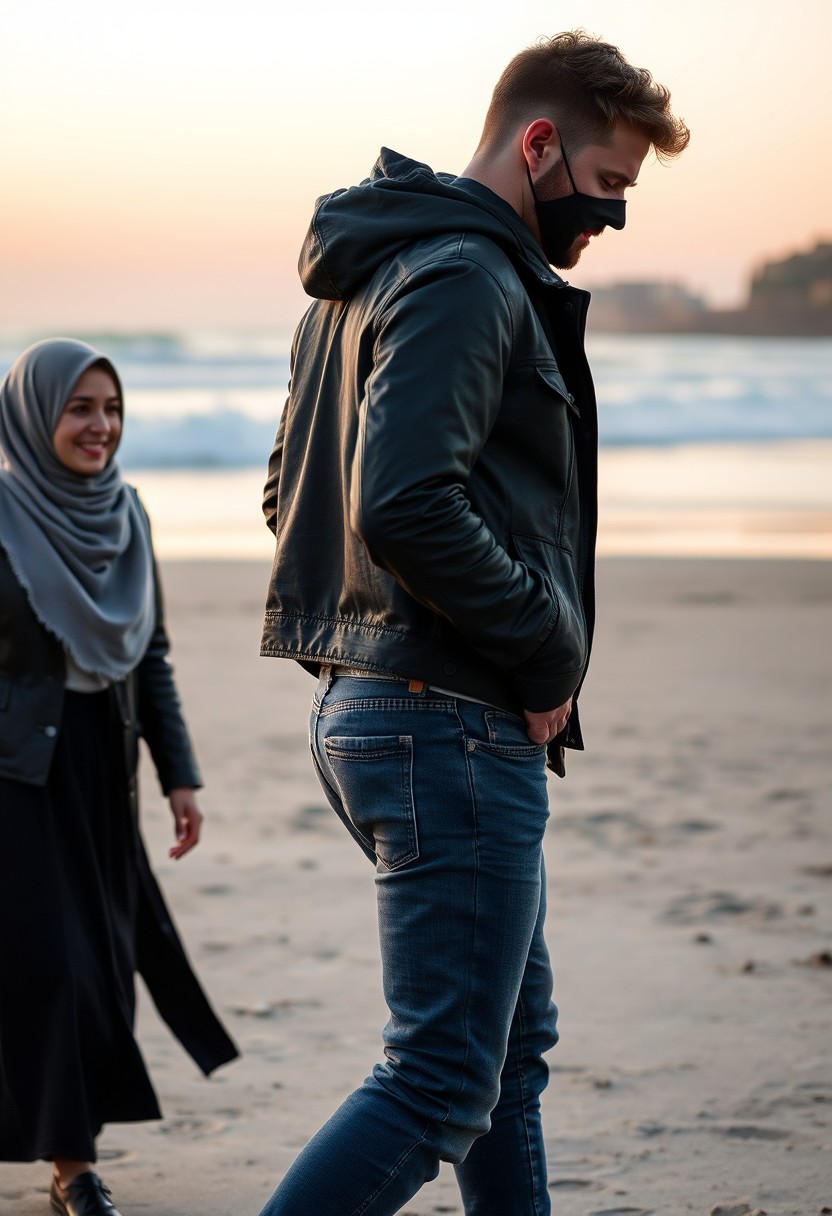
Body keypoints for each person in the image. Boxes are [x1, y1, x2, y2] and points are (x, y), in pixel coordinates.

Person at [258, 30, 689, 1216]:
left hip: (384, 707)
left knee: (503, 1059)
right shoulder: (463, 273)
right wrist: (544, 650)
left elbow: (290, 496)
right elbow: (398, 501)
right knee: (445, 1074)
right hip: (442, 717)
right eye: (605, 187)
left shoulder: (370, 276)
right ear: (538, 145)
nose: (609, 222)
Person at [0, 339, 238, 1216]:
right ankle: (73, 1168)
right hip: (15, 771)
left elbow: (151, 656)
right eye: (80, 409)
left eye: (112, 409)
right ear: (36, 416)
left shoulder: (126, 512)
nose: (100, 427)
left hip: (103, 759)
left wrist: (180, 775)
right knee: (45, 963)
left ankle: (72, 1151)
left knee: (99, 963)